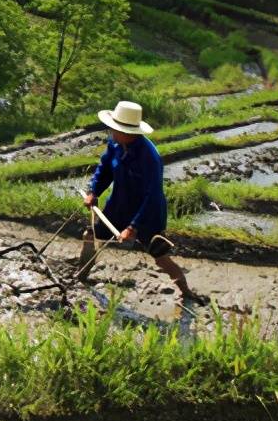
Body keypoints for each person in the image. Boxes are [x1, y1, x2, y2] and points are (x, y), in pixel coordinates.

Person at [77, 100, 206, 303]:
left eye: (115, 129)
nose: (111, 132)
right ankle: (82, 274)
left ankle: (185, 291)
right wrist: (94, 192)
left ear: (130, 132)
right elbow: (105, 169)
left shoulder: (150, 158)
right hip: (120, 204)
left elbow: (152, 195)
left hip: (147, 213)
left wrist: (133, 227)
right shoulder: (115, 144)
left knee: (159, 255)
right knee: (94, 234)